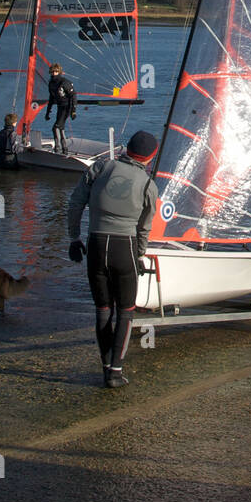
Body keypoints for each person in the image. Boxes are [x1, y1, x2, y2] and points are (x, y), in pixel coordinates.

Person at [67, 130, 159, 388]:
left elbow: (75, 204)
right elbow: (144, 228)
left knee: (103, 309)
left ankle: (106, 365)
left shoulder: (100, 168)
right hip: (124, 249)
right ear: (150, 158)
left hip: (96, 245)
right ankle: (115, 373)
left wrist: (74, 238)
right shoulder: (148, 185)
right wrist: (139, 254)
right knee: (126, 312)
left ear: (127, 148)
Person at [45, 63, 77, 154]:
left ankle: (57, 148)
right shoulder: (51, 83)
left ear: (59, 72)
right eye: (52, 72)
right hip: (60, 107)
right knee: (61, 127)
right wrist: (48, 112)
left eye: (56, 71)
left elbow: (73, 95)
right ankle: (65, 148)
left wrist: (73, 111)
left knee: (56, 127)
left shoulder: (64, 82)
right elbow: (51, 98)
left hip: (67, 107)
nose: (54, 73)